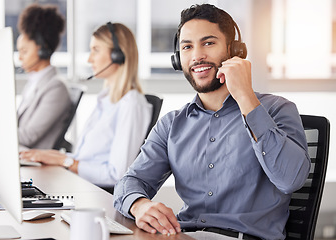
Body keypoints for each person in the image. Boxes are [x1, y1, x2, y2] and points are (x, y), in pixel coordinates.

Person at [113, 4, 310, 240]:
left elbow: (290, 180)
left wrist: (245, 96)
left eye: (208, 43)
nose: (197, 56)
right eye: (187, 47)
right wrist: (139, 205)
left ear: (234, 50)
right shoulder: (172, 124)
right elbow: (131, 181)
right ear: (178, 59)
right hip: (186, 235)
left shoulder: (277, 109)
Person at [20, 22, 153, 192]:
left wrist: (66, 162)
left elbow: (117, 174)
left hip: (95, 196)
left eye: (96, 50)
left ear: (117, 55)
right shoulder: (106, 100)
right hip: (82, 187)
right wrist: (51, 156)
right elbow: (87, 159)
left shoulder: (132, 105)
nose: (90, 59)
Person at [16, 3, 71, 150]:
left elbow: (28, 136)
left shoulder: (56, 88)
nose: (20, 58)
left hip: (35, 164)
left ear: (42, 50)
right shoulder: (34, 82)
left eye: (24, 51)